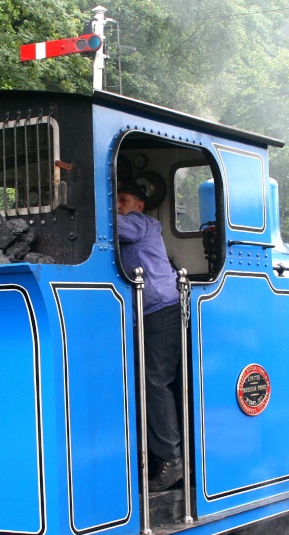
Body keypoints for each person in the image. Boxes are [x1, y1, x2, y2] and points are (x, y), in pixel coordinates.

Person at [116, 179, 184, 492]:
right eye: (114, 198)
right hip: (147, 314)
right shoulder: (135, 223)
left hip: (161, 310)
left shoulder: (140, 224)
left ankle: (171, 461)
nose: (118, 203)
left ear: (140, 205)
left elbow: (111, 226)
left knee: (155, 382)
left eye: (124, 198)